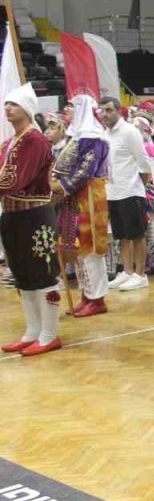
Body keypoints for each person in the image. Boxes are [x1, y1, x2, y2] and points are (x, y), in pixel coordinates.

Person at [0, 83, 63, 356]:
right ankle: (32, 331)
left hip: (35, 215)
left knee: (43, 273)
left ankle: (49, 334)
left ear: (26, 109)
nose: (7, 108)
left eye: (12, 104)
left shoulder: (35, 140)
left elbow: (16, 178)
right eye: (5, 104)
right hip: (13, 214)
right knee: (22, 274)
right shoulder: (9, 142)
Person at [51, 95, 110, 318]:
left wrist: (61, 186)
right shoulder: (76, 137)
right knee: (76, 248)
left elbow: (86, 170)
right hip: (74, 197)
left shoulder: (93, 138)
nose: (67, 111)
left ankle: (97, 298)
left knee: (90, 247)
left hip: (88, 196)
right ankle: (87, 295)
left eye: (71, 108)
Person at [101, 97, 152, 292]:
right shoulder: (105, 134)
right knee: (121, 235)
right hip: (112, 192)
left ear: (118, 112)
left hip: (131, 191)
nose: (105, 114)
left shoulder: (130, 132)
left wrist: (140, 186)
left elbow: (143, 162)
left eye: (108, 110)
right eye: (102, 111)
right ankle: (127, 271)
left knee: (137, 235)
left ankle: (141, 274)